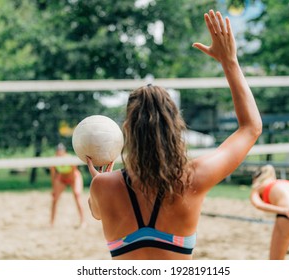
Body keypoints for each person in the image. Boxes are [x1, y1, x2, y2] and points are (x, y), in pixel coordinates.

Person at [86, 9, 262, 259]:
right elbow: (251, 127)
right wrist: (229, 61)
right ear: (174, 127)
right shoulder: (193, 179)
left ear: (127, 130)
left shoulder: (103, 186)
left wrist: (100, 179)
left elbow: (96, 211)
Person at [50, 143, 86, 228]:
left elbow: (73, 173)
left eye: (61, 151)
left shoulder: (69, 159)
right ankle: (51, 222)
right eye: (58, 151)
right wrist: (53, 189)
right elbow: (53, 175)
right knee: (54, 199)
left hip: (74, 177)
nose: (59, 153)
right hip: (62, 178)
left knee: (77, 196)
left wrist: (72, 184)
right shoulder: (54, 160)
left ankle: (83, 221)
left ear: (64, 151)